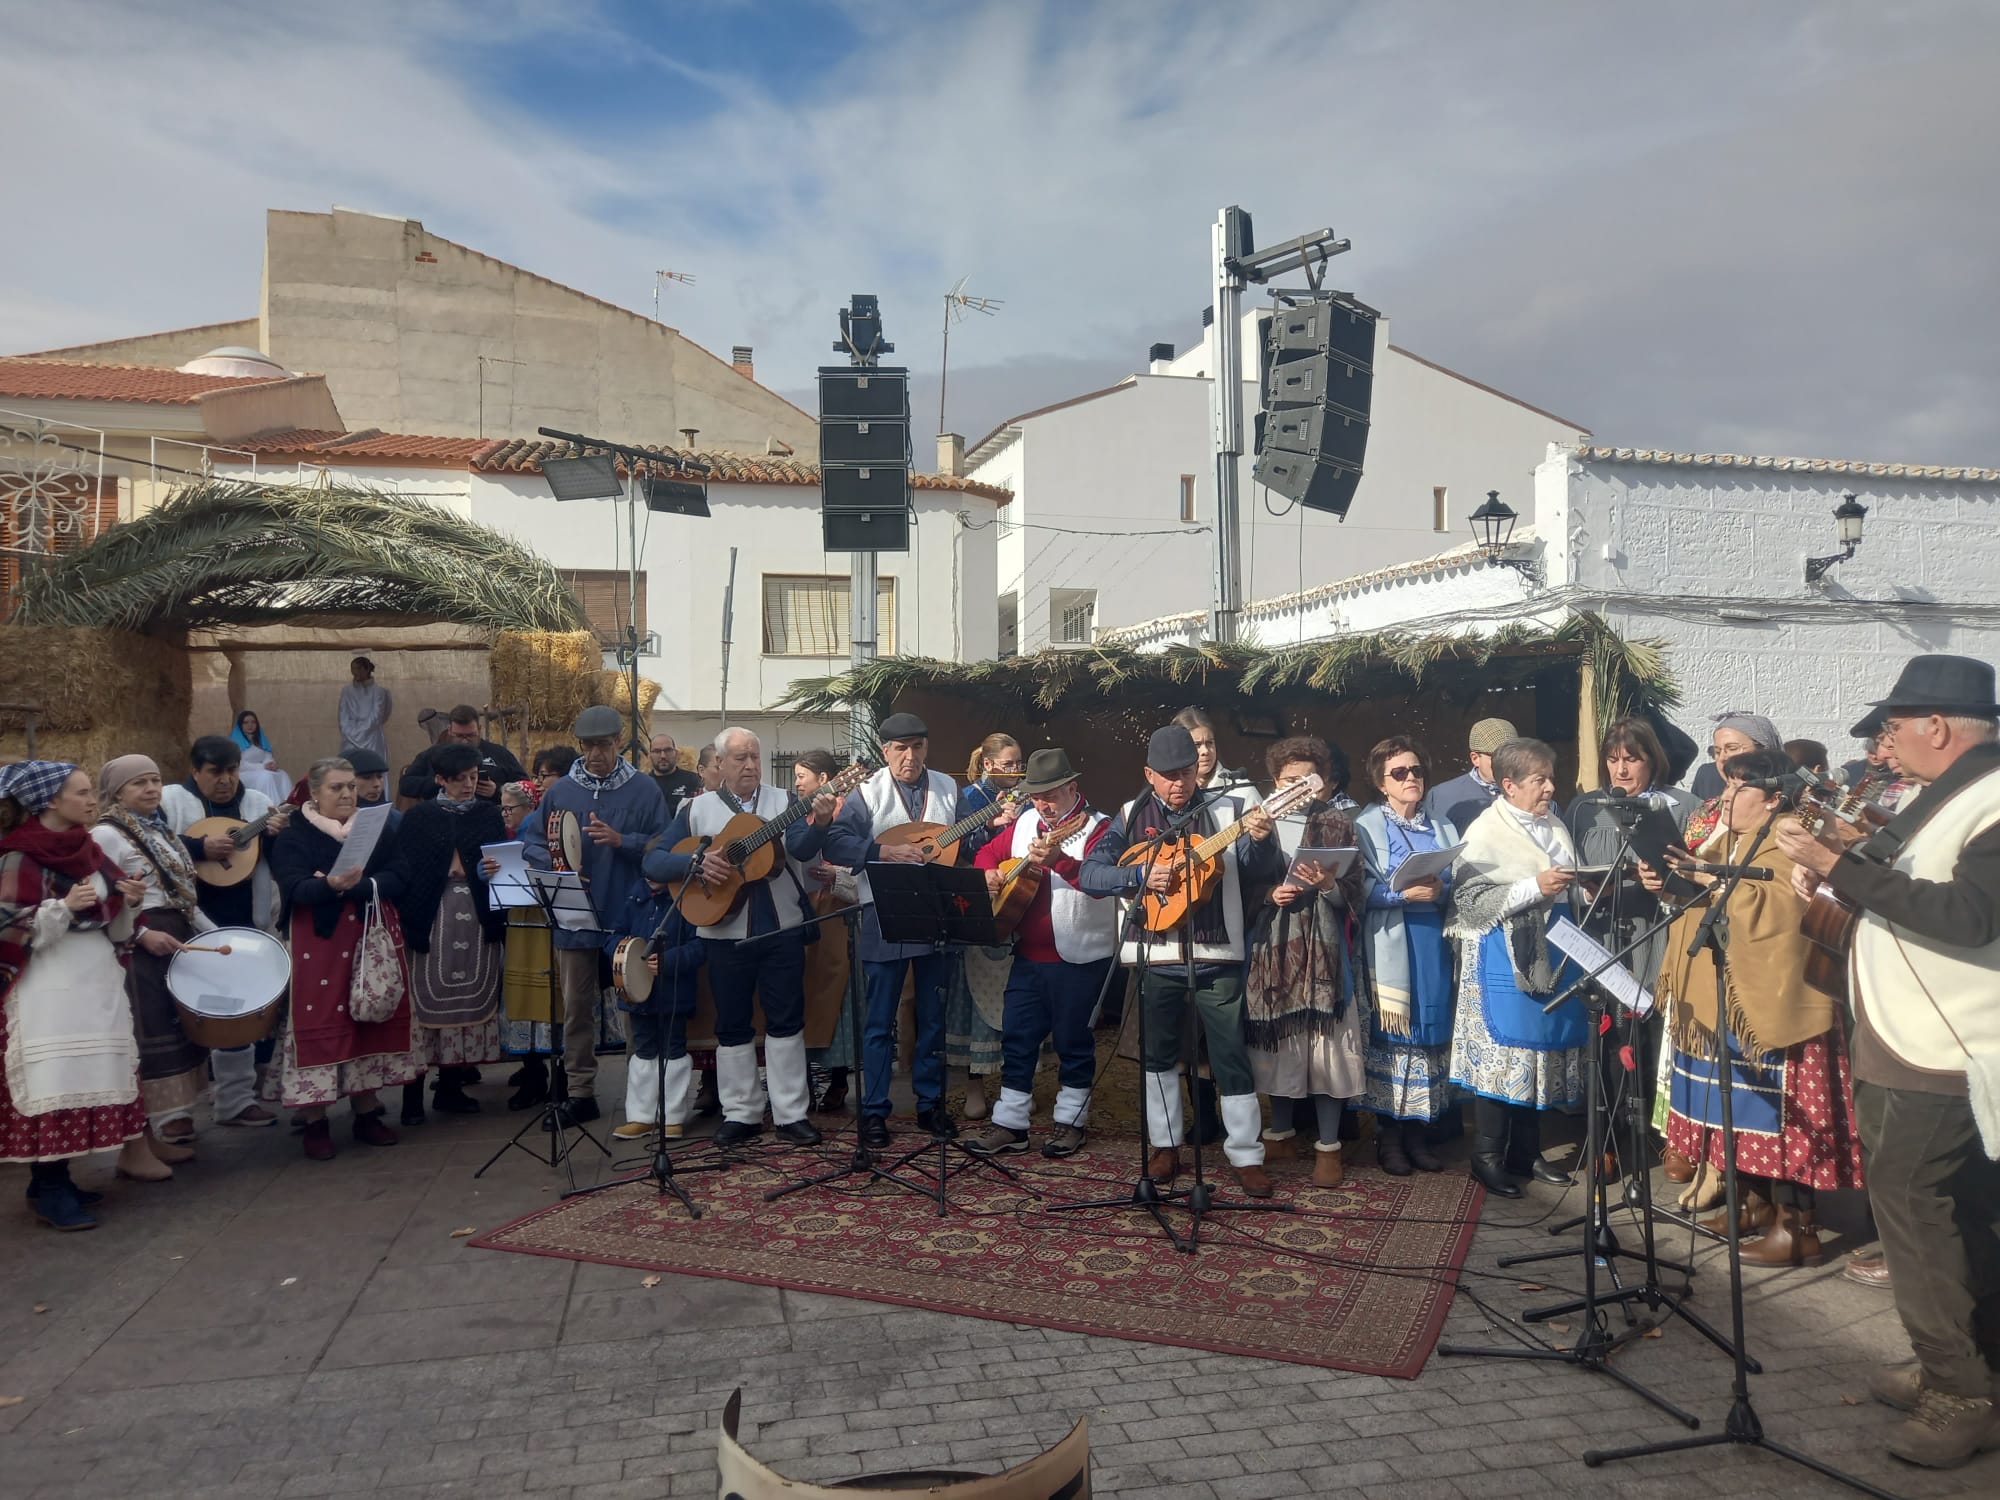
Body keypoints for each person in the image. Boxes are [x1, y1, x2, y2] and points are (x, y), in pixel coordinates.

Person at [1774, 654, 2000, 1468]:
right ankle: (1972, 1367)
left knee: (1911, 1207)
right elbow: (1910, 885)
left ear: (1938, 726)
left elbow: (1971, 916)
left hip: (1948, 1048)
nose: (1886, 743)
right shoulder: (1954, 792)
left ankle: (1960, 1394)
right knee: (1960, 1210)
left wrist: (1842, 869)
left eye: (1896, 727)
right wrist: (1839, 873)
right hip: (1913, 1036)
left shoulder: (1993, 798)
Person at [1646, 747, 1864, 1268]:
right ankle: (1756, 1204)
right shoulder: (1735, 839)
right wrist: (1675, 883)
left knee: (1782, 1117)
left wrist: (1704, 879)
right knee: (1741, 1111)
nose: (1726, 796)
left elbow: (1783, 909)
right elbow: (1715, 895)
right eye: (1727, 784)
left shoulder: (1791, 838)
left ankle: (1798, 1228)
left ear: (1772, 799)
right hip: (1733, 998)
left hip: (1780, 1005)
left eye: (1740, 787)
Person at [1080, 722, 1282, 1197]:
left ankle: (1246, 1154)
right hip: (1155, 955)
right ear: (1149, 773)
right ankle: (1165, 1145)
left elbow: (1259, 872)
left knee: (1231, 1056)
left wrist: (1260, 839)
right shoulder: (1129, 816)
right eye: (1169, 775)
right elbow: (1092, 873)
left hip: (1218, 953)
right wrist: (1138, 874)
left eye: (1187, 773)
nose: (1179, 784)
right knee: (1157, 1056)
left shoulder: (1232, 807)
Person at [816, 711, 1011, 1147]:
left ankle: (930, 1105)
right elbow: (836, 843)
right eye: (900, 748)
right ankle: (874, 1113)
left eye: (917, 746)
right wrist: (881, 851)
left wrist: (993, 829)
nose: (910, 756)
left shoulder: (947, 787)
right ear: (885, 751)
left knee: (932, 1016)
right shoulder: (868, 792)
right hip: (883, 914)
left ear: (926, 747)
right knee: (879, 1020)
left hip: (937, 913)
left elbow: (966, 844)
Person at [647, 726, 829, 1147]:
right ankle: (741, 1113)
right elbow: (655, 862)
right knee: (732, 1024)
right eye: (740, 759)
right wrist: (697, 861)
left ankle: (790, 1113)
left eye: (754, 757)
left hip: (782, 927)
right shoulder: (695, 810)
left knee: (786, 1020)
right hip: (722, 930)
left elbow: (800, 849)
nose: (749, 765)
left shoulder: (785, 801)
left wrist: (819, 824)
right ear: (720, 764)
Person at [1, 762, 150, 1229]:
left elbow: (112, 924)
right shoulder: (17, 856)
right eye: (82, 793)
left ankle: (58, 1180)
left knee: (82, 1077)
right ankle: (47, 1187)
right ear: (50, 800)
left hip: (94, 984)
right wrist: (62, 908)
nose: (92, 801)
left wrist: (128, 902)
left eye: (91, 792)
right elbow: (7, 925)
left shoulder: (88, 851)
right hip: (46, 986)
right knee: (55, 1079)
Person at [1445, 736, 1587, 1199]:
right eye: (1538, 780)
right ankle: (1486, 1158)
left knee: (1538, 1053)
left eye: (1550, 777)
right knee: (1502, 1060)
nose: (1549, 787)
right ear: (1508, 785)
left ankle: (1526, 1153)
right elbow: (1469, 902)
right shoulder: (1485, 832)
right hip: (1500, 955)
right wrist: (1536, 886)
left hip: (1551, 950)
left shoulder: (1555, 825)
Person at [519, 705, 668, 1126]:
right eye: (589, 746)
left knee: (634, 1003)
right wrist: (553, 864)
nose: (596, 753)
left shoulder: (644, 790)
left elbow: (664, 845)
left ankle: (643, 1096)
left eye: (604, 745)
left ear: (619, 742)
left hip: (628, 913)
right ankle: (581, 1093)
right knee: (576, 1008)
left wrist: (624, 840)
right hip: (575, 914)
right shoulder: (562, 791)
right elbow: (532, 841)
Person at [965, 747, 1117, 1157]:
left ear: (1072, 788)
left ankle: (1071, 1122)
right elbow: (986, 853)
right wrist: (988, 874)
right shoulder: (1027, 821)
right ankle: (1011, 1123)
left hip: (1082, 954)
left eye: (1050, 794)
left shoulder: (1102, 828)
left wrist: (1061, 862)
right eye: (1035, 795)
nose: (1042, 804)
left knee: (1074, 1041)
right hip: (1029, 954)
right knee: (1017, 1037)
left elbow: (1100, 882)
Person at [1565, 716, 1699, 1168]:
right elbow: (1566, 870)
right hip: (1603, 938)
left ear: (1653, 761)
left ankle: (1660, 1140)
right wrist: (1579, 888)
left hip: (1655, 936)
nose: (1621, 770)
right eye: (1613, 759)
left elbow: (1701, 882)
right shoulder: (1585, 807)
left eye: (1632, 759)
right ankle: (1603, 1142)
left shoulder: (1682, 806)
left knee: (1651, 1040)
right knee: (1604, 1039)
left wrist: (1665, 884)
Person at [268, 757, 417, 1161]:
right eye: (337, 788)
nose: (348, 793)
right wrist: (329, 886)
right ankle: (315, 1121)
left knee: (366, 1017)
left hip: (369, 938)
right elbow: (294, 887)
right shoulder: (295, 835)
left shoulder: (375, 829)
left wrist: (359, 885)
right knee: (322, 1021)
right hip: (319, 943)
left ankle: (366, 1113)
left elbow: (401, 874)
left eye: (351, 786)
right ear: (314, 792)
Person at [1242, 735, 1365, 1188]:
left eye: (1308, 779)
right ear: (1275, 783)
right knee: (1279, 1041)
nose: (1298, 786)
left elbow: (1356, 890)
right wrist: (1270, 893)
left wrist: (1328, 886)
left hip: (1324, 950)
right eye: (1289, 779)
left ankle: (1328, 1147)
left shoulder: (1337, 824)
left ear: (1321, 782)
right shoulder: (1256, 824)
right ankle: (1280, 1132)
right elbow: (1238, 885)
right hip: (1272, 946)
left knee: (1326, 1046)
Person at [159, 734, 290, 1125]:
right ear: (195, 771)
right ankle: (172, 1114)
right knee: (176, 1018)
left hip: (244, 921)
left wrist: (276, 836)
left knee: (236, 1012)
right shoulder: (171, 802)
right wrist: (198, 848)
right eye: (215, 772)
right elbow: (153, 845)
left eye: (231, 771)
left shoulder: (255, 804)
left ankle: (235, 1102)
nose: (225, 780)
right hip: (186, 923)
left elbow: (276, 860)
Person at [92, 756, 212, 1165]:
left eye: (155, 780)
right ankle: (134, 1146)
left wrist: (215, 934)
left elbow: (181, 895)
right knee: (146, 1039)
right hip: (138, 944)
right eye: (138, 783)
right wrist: (142, 934)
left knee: (174, 1028)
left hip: (172, 932)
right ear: (117, 792)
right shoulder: (107, 835)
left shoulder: (159, 831)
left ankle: (150, 1138)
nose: (150, 788)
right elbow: (103, 898)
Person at [1355, 736, 1461, 1175]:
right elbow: (1355, 886)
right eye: (1400, 772)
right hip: (1389, 940)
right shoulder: (1365, 827)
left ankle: (1419, 1134)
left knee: (1428, 1030)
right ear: (1382, 782)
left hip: (1431, 939)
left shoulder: (1442, 827)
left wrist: (1442, 889)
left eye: (1416, 770)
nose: (1411, 778)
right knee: (1394, 1034)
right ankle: (1390, 1138)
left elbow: (1459, 881)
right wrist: (1398, 893)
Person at [391, 742, 507, 1126]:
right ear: (440, 780)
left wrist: (490, 870)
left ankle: (451, 1086)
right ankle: (412, 1095)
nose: (469, 785)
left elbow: (500, 866)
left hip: (476, 917)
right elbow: (409, 870)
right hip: (434, 915)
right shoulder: (419, 817)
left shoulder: (488, 816)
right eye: (460, 780)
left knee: (468, 1002)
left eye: (473, 777)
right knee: (423, 1004)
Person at [601, 860, 705, 1140]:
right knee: (643, 1050)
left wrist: (670, 960)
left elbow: (700, 946)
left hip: (674, 993)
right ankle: (641, 1116)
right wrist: (626, 953)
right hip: (638, 993)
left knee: (674, 1049)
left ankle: (671, 1116)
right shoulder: (635, 896)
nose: (651, 879)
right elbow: (614, 936)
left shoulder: (687, 899)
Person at [948, 732, 1022, 1120]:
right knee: (971, 996)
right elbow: (959, 847)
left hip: (1016, 902)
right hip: (975, 904)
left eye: (1018, 763)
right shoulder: (968, 799)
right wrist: (993, 825)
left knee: (1016, 997)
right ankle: (974, 1088)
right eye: (1009, 764)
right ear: (990, 764)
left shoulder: (1025, 796)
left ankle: (1013, 1086)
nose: (1016, 770)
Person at [496, 779, 558, 1109]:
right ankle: (534, 1073)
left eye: (510, 808)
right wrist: (486, 869)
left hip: (540, 924)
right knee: (524, 998)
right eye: (502, 808)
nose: (505, 814)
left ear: (529, 807)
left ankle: (545, 1077)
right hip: (519, 921)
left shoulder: (536, 830)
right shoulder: (509, 835)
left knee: (543, 999)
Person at [399, 705, 527, 805]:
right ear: (449, 731)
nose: (465, 741)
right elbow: (406, 784)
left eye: (471, 735)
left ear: (479, 729)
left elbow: (525, 786)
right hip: (441, 817)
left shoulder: (499, 753)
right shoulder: (433, 754)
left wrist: (498, 790)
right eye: (459, 736)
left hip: (489, 815)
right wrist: (439, 782)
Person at [1425, 717, 1518, 835]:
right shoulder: (1442, 796)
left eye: (1513, 755)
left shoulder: (1533, 790)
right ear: (1475, 759)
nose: (1506, 762)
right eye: (1498, 756)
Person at [1688, 710, 1784, 807]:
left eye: (1732, 748)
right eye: (1717, 751)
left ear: (1764, 750)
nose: (1722, 758)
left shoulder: (1790, 795)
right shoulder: (1707, 777)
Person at [337, 655, 393, 761]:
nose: (354, 672)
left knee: (372, 764)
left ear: (366, 669)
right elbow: (342, 715)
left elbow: (377, 716)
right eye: (352, 669)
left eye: (358, 668)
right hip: (350, 736)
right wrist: (349, 732)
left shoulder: (379, 691)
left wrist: (361, 733)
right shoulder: (346, 691)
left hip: (371, 737)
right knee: (350, 767)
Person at [647, 733, 703, 822]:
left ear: (676, 753)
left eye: (668, 750)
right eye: (657, 751)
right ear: (649, 756)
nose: (663, 756)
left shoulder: (692, 780)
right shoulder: (643, 784)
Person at [346, 747, 402, 836]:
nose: (376, 784)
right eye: (367, 777)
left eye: (379, 776)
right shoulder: (333, 821)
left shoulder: (395, 819)